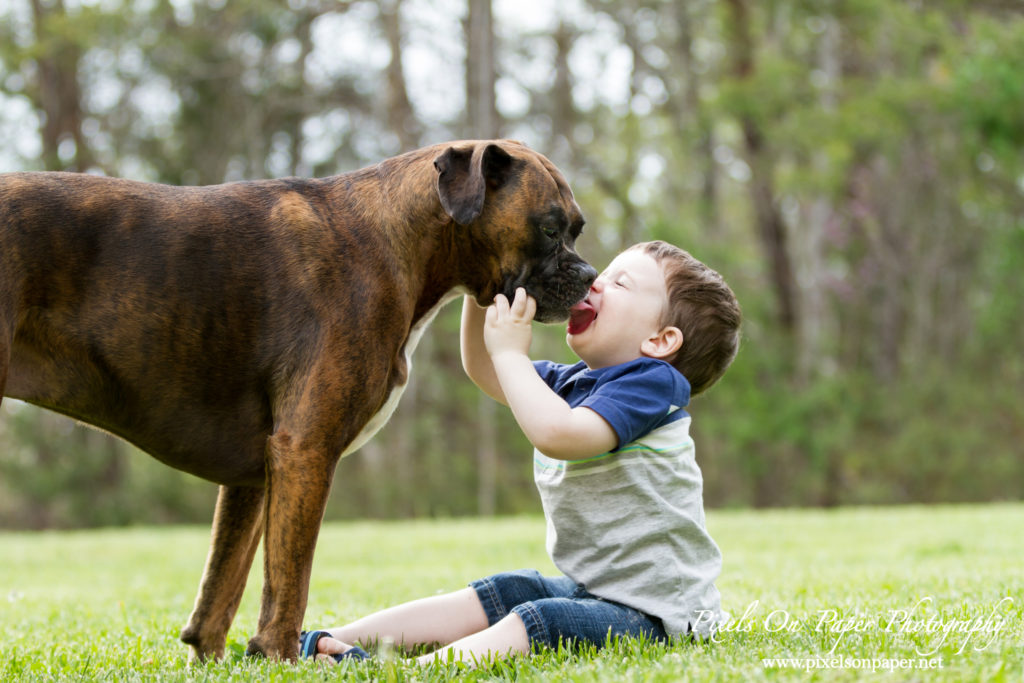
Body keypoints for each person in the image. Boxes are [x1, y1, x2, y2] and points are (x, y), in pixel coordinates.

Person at [299, 240, 741, 666]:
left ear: (661, 341)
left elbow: (559, 433)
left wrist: (512, 351)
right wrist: (485, 286)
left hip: (658, 616)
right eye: (604, 272)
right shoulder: (574, 382)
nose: (595, 282)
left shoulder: (655, 385)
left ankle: (407, 671)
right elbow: (486, 368)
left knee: (541, 620)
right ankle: (337, 639)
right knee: (506, 590)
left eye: (620, 284)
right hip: (596, 590)